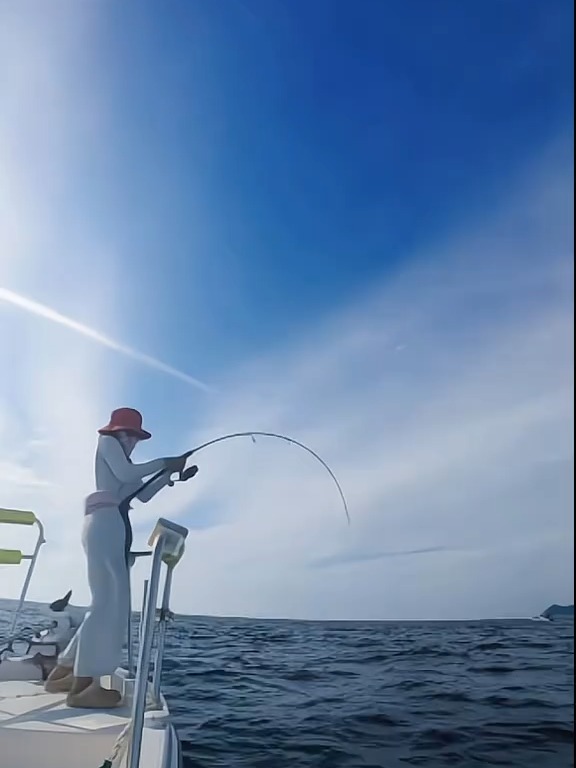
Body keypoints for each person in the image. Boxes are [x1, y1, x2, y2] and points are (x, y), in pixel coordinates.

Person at [44, 407, 198, 708]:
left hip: (110, 526)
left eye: (135, 438)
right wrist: (166, 461)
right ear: (116, 432)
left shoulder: (118, 465)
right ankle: (83, 688)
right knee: (108, 604)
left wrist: (168, 473)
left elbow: (140, 493)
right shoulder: (107, 444)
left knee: (105, 602)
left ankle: (64, 673)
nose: (131, 442)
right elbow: (129, 475)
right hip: (105, 526)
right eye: (129, 435)